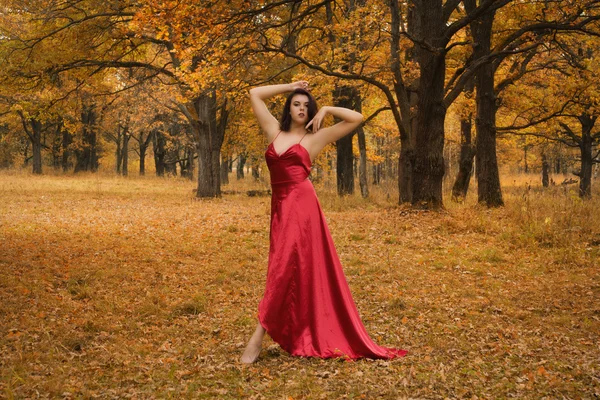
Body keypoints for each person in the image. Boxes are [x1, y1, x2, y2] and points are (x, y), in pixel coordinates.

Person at [240, 81, 407, 363]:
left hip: (302, 207)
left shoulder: (315, 138)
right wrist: (291, 86)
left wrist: (327, 108)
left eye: (307, 105)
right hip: (280, 208)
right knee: (287, 267)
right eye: (296, 104)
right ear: (288, 108)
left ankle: (257, 338)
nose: (302, 109)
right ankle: (293, 328)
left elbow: (356, 118)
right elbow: (254, 92)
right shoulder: (273, 131)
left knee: (282, 269)